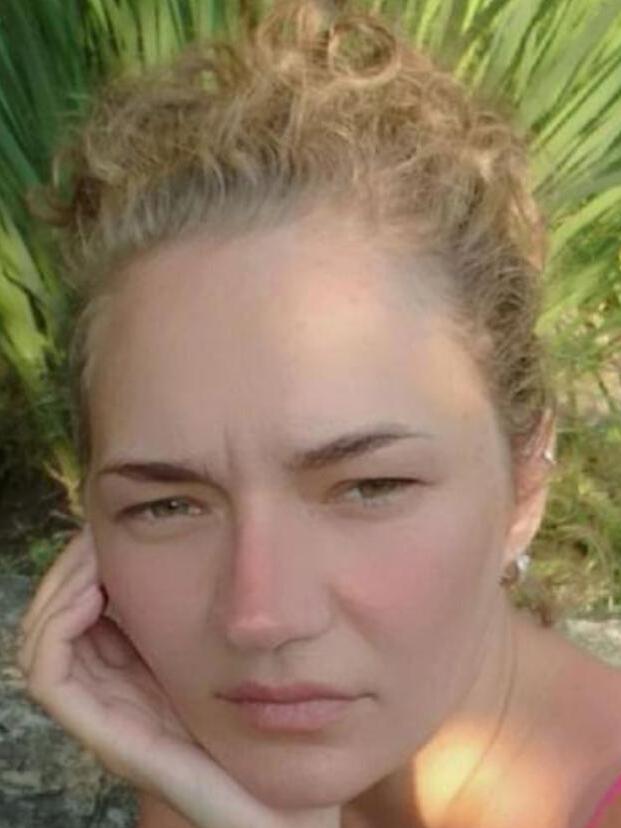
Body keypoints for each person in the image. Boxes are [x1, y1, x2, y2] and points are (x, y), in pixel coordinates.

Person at [15, 1, 621, 826]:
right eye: (167, 505)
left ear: (524, 483)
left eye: (370, 487)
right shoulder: (201, 755)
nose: (258, 617)